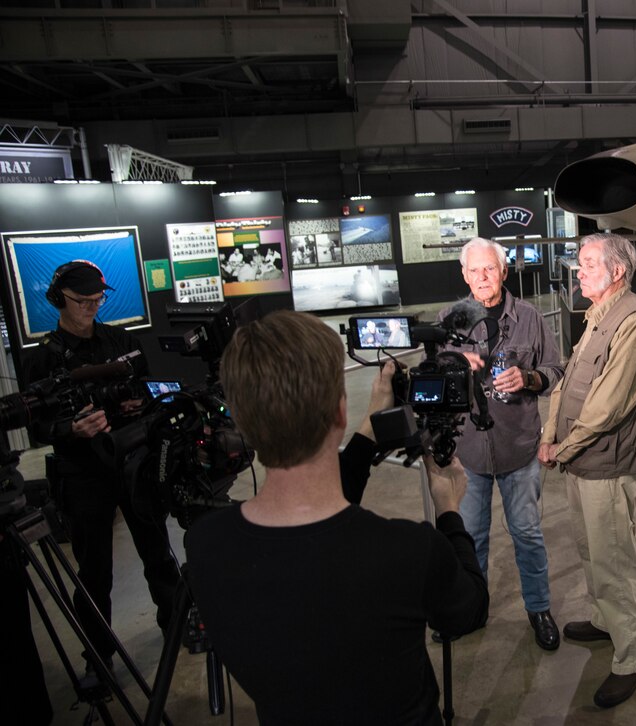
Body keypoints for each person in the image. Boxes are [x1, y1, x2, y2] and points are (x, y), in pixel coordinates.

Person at [185, 311, 488, 725]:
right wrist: (449, 512)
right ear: (339, 412)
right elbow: (469, 610)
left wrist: (367, 428)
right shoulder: (407, 551)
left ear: (242, 422)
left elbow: (314, 528)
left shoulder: (206, 545)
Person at [20, 260, 181, 685]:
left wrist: (135, 404)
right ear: (59, 299)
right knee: (94, 573)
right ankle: (98, 657)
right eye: (82, 301)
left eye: (97, 299)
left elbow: (145, 388)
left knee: (158, 552)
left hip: (131, 464)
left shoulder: (118, 340)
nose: (91, 307)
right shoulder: (44, 360)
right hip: (83, 474)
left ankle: (175, 625)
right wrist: (70, 428)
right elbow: (36, 426)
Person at [538, 233, 636, 708]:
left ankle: (631, 659)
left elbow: (609, 406)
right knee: (592, 551)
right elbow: (567, 384)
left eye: (588, 263)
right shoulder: (597, 315)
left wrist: (562, 447)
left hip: (605, 464)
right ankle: (606, 621)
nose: (578, 270)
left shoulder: (633, 321)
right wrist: (550, 435)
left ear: (616, 272)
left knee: (615, 562)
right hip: (580, 461)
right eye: (579, 263)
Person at [438, 238, 565, 650]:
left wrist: (527, 379)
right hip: (469, 452)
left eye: (489, 269)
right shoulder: (448, 319)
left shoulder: (528, 317)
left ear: (503, 271)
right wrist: (455, 367)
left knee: (527, 533)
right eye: (473, 271)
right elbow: (431, 379)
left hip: (519, 448)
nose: (481, 278)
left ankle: (539, 609)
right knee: (471, 536)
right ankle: (472, 611)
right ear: (464, 275)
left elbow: (556, 370)